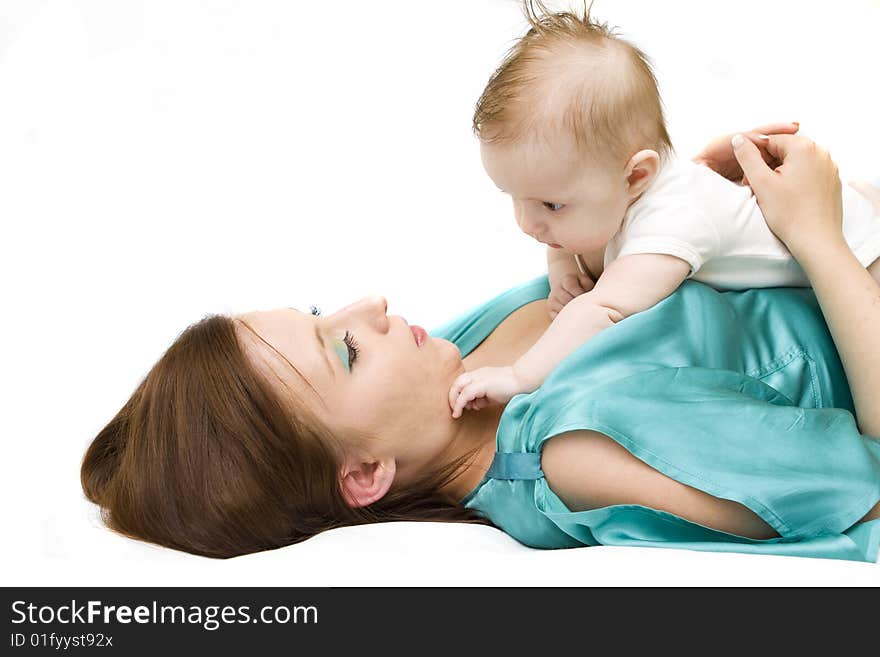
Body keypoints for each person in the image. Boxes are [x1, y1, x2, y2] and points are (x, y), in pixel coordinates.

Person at [80, 128, 880, 561]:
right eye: (345, 350)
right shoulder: (575, 452)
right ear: (364, 474)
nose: (373, 305)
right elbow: (867, 490)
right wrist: (819, 244)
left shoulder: (459, 360)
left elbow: (638, 306)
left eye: (326, 311)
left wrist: (676, 213)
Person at [447, 2, 880, 418]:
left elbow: (604, 309)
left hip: (864, 255)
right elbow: (567, 242)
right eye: (513, 197)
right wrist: (563, 270)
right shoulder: (616, 189)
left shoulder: (674, 222)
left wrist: (519, 375)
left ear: (636, 176)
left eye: (551, 204)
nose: (526, 224)